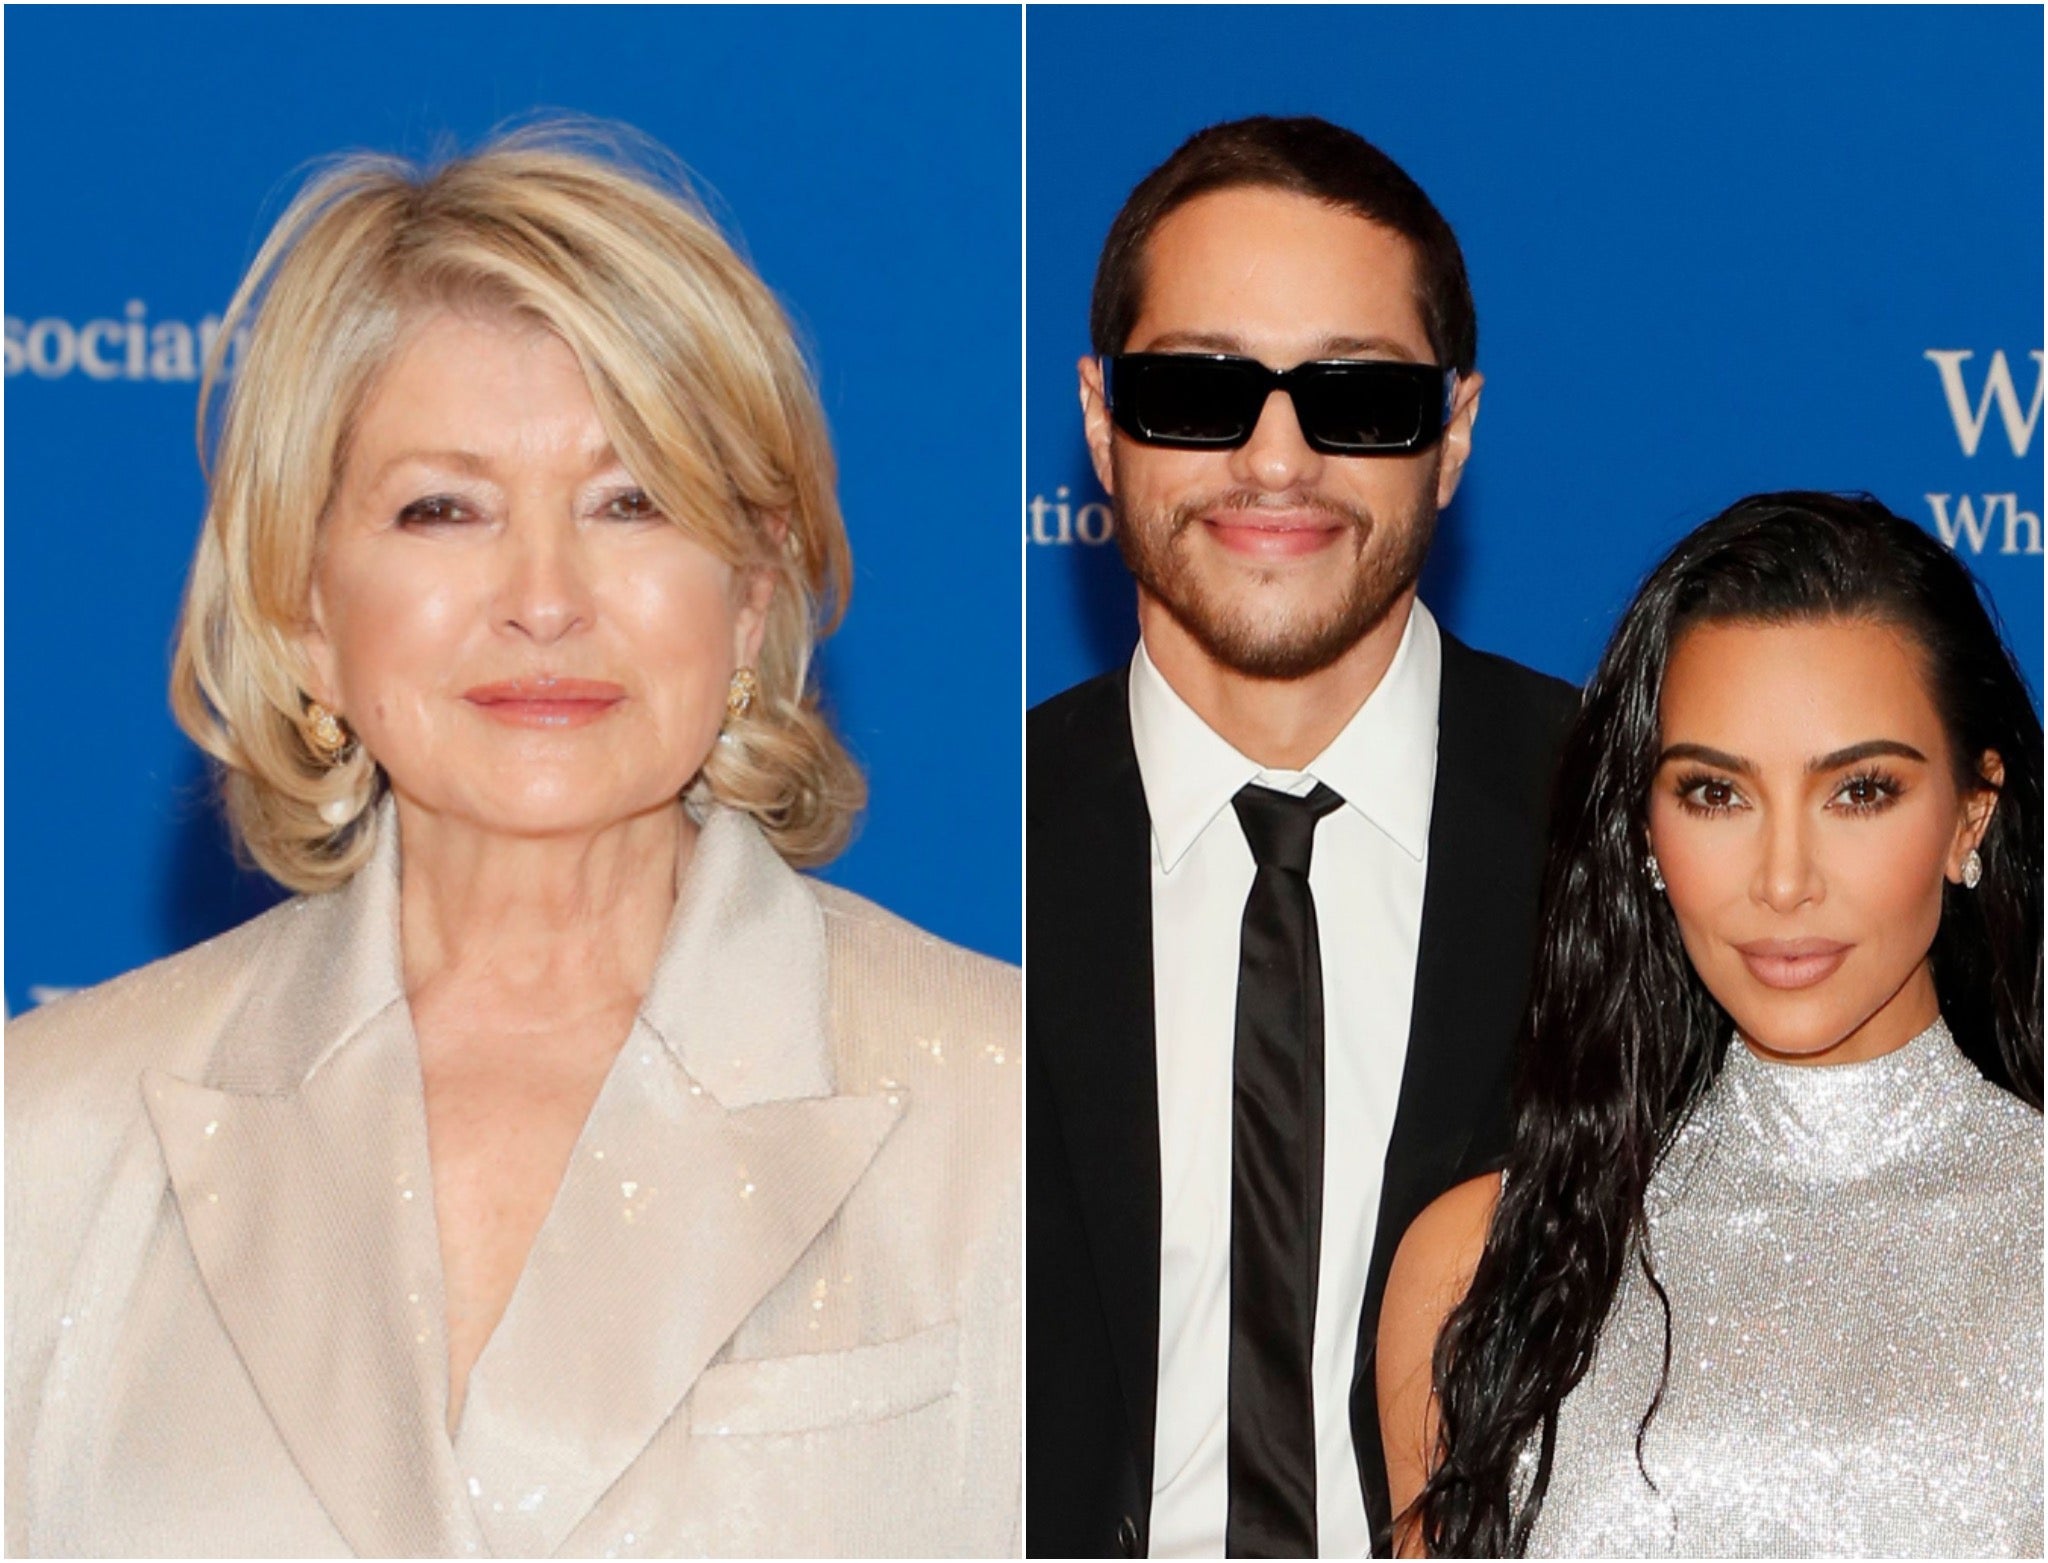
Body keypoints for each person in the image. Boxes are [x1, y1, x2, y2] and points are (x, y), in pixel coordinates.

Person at [5, 125, 1019, 1558]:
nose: (544, 596)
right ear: (305, 606)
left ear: (751, 592)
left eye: (631, 500)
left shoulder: (1014, 1106)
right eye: (444, 507)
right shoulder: (45, 1132)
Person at [1027, 115, 1577, 1557]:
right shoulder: (964, 854)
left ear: (1452, 433)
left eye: (1358, 398)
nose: (1276, 458)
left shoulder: (1632, 825)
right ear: (1100, 420)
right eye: (1198, 389)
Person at [1378, 492, 2043, 1557]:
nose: (1781, 882)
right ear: (1643, 830)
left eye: (1859, 791)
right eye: (1714, 795)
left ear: (1971, 815)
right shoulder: (1480, 1265)